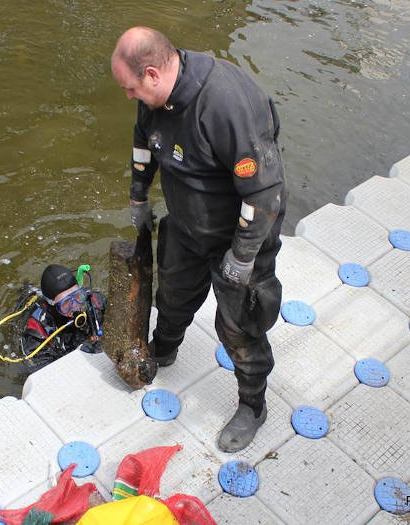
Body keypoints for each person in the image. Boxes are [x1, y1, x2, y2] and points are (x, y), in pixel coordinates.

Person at [111, 27, 286, 452]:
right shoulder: (154, 100)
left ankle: (253, 406)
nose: (128, 95)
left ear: (152, 73)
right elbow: (143, 145)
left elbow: (264, 191)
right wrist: (138, 197)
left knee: (239, 325)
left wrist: (243, 257)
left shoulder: (226, 104)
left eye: (131, 87)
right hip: (187, 223)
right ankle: (165, 348)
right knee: (171, 294)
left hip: (239, 233)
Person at [14, 264, 106, 372]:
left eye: (78, 296)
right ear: (52, 305)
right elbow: (43, 371)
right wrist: (78, 356)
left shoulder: (96, 302)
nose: (75, 306)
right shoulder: (38, 330)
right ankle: (25, 289)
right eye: (66, 303)